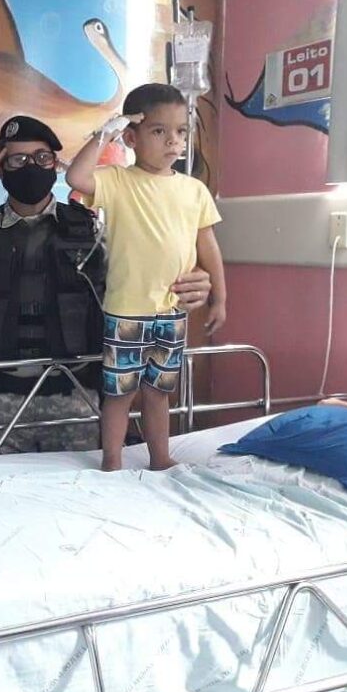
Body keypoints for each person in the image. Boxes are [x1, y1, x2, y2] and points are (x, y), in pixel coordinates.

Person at [0, 115, 213, 454]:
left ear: (55, 165)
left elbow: (148, 274)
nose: (31, 166)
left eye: (42, 157)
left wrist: (193, 285)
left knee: (79, 485)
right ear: (0, 170)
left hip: (75, 399)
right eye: (18, 159)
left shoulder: (93, 232)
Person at [66, 84, 227, 472]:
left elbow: (208, 246)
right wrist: (106, 132)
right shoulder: (118, 181)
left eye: (181, 131)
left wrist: (220, 297)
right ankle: (112, 461)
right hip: (127, 312)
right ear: (132, 137)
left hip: (171, 312)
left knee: (159, 392)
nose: (173, 140)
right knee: (119, 394)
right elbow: (76, 176)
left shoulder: (194, 190)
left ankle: (160, 459)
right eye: (159, 131)